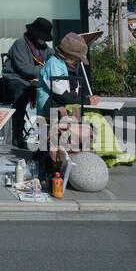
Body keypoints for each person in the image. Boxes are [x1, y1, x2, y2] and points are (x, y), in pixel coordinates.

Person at [36, 33, 100, 171]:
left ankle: (68, 156)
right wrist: (87, 100)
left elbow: (73, 91)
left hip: (62, 107)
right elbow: (62, 95)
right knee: (48, 140)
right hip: (50, 107)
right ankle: (49, 163)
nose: (79, 62)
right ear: (67, 54)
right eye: (77, 59)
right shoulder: (54, 64)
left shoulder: (67, 65)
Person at [0, 17, 55, 148]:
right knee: (21, 92)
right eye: (42, 37)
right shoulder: (20, 44)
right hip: (16, 79)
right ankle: (17, 134)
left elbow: (54, 59)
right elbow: (25, 69)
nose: (44, 40)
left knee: (51, 95)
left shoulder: (44, 48)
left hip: (35, 81)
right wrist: (47, 69)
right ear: (34, 34)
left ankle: (46, 134)